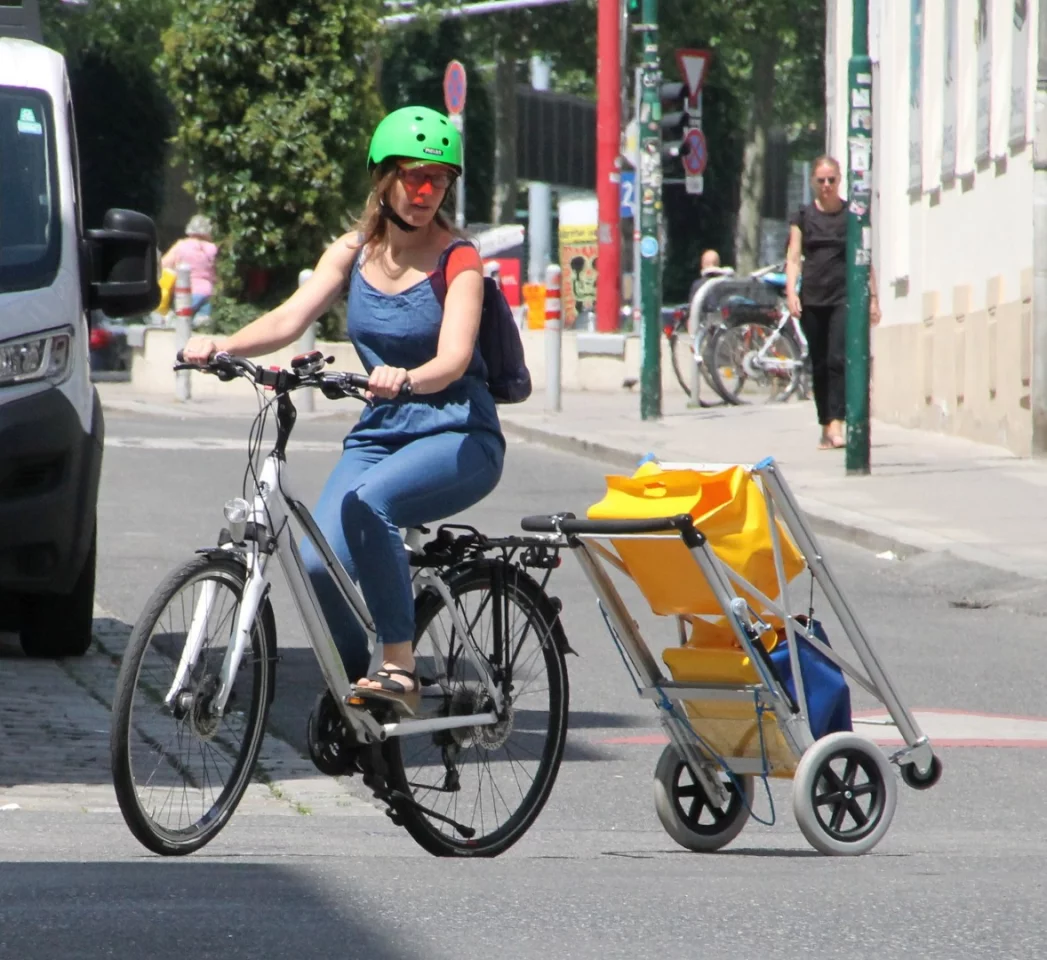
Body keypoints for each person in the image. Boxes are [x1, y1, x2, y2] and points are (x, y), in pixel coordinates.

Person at [181, 106, 504, 713]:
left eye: (439, 180)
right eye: (414, 177)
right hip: (380, 432)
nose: (426, 192)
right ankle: (360, 697)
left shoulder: (458, 258)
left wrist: (408, 378)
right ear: (384, 177)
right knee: (316, 563)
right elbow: (289, 318)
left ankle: (399, 665)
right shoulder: (354, 251)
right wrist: (222, 345)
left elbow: (455, 358)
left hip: (457, 432)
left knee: (370, 504)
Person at [785, 156, 880, 450]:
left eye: (831, 180)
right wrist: (791, 293)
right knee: (820, 362)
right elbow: (793, 258)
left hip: (842, 296)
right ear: (813, 182)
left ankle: (837, 422)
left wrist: (873, 298)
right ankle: (826, 424)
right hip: (812, 298)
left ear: (839, 180)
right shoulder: (803, 216)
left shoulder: (851, 215)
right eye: (821, 180)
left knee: (838, 358)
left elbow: (864, 258)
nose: (826, 185)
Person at [162, 214, 218, 325]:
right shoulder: (213, 248)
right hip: (208, 293)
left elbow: (164, 264)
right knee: (201, 324)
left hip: (186, 292)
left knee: (181, 323)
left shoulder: (181, 246)